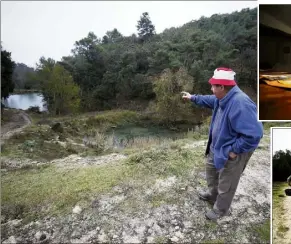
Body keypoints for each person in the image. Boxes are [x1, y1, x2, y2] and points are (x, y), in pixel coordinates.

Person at [181, 67, 263, 221]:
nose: (211, 89)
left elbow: (255, 135)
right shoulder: (222, 98)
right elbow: (210, 100)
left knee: (227, 183)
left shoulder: (240, 103)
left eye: (213, 86)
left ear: (222, 87)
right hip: (217, 147)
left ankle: (220, 209)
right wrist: (193, 98)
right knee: (211, 173)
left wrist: (234, 151)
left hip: (232, 152)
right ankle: (213, 195)